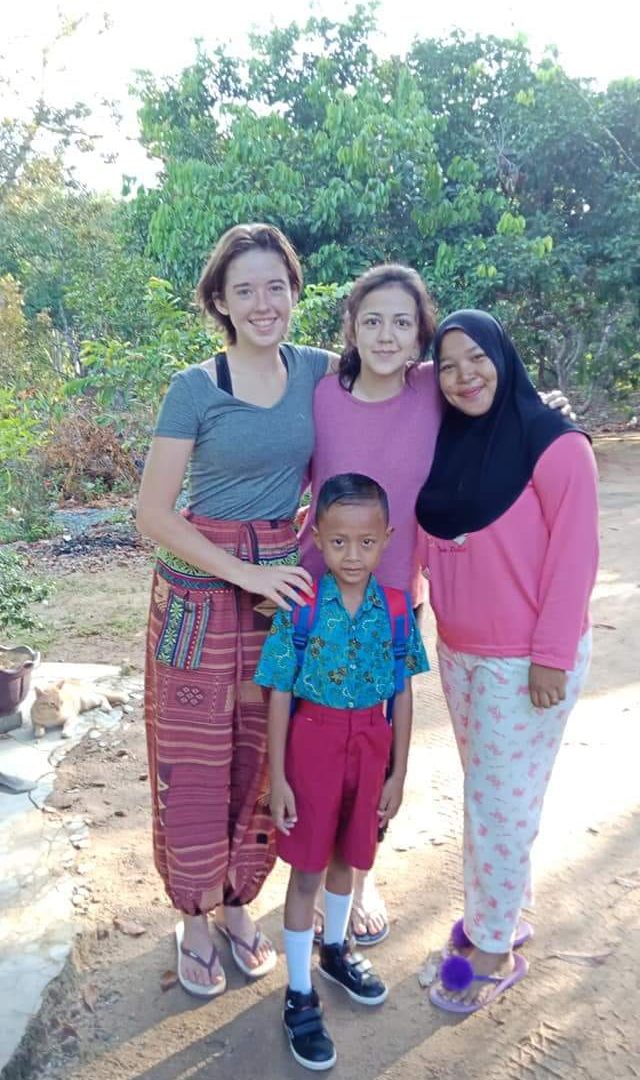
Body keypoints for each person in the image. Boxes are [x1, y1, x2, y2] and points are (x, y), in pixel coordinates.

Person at [137, 223, 336, 997]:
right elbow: (153, 513)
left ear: (294, 291)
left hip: (275, 594)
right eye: (244, 289)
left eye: (276, 286)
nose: (263, 303)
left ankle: (238, 900)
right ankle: (193, 912)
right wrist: (241, 572)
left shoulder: (318, 371)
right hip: (195, 597)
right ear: (220, 300)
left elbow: (400, 386)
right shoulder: (195, 387)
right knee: (191, 757)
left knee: (260, 751)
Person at [414, 309, 599, 1014]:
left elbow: (575, 558)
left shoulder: (556, 446)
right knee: (497, 796)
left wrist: (551, 657)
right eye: (448, 365)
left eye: (477, 359)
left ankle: (491, 947)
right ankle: (502, 912)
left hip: (525, 663)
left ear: (503, 356)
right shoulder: (449, 442)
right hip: (461, 653)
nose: (464, 376)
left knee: (497, 803)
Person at [255, 473, 429, 1070]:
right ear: (318, 538)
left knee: (347, 861)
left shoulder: (398, 610)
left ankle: (335, 949)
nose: (352, 555)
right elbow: (280, 692)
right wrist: (278, 778)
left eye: (366, 542)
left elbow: (402, 693)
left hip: (371, 748)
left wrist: (398, 773)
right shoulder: (300, 610)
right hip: (312, 747)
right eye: (337, 542)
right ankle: (299, 992)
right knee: (306, 869)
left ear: (388, 538)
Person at [298, 264, 440, 946]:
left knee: (375, 747)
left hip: (393, 603)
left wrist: (553, 413)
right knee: (316, 745)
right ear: (351, 327)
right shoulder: (322, 394)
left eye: (402, 322)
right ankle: (309, 873)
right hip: (317, 600)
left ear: (420, 335)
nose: (387, 335)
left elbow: (497, 394)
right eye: (373, 320)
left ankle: (359, 875)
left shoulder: (435, 389)